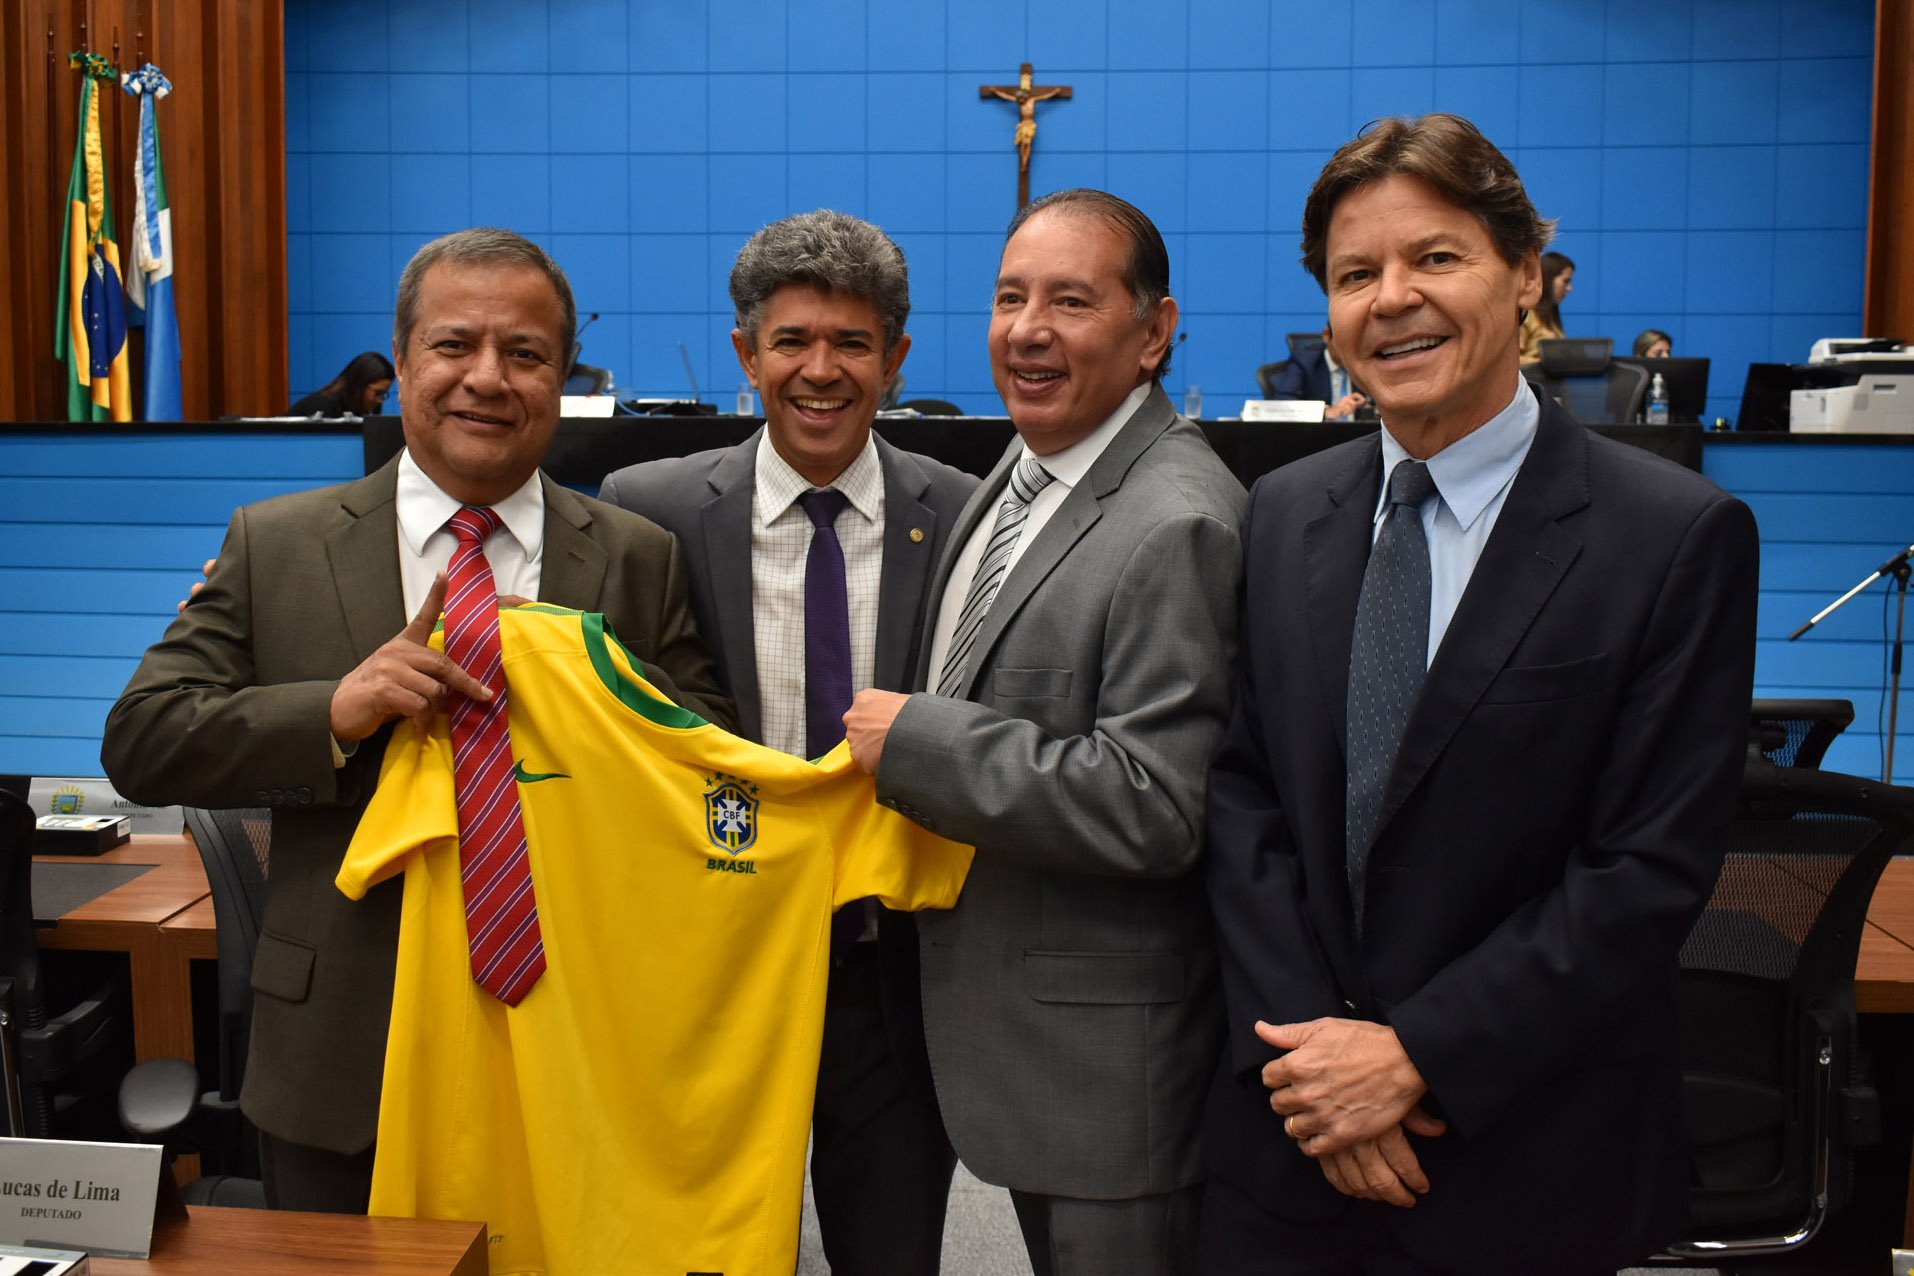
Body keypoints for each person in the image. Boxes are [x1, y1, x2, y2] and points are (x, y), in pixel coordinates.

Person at [1199, 113, 1759, 1274]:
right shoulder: (1283, 511)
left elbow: (1645, 867)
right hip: (1291, 1144)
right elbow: (1245, 797)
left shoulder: (1672, 535)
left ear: (1527, 278)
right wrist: (1314, 1065)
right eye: (1356, 274)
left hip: (1525, 1154)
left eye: (1437, 257)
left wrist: (1415, 1057)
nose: (1392, 298)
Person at [101, 227, 734, 1214]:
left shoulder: (634, 555)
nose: (487, 377)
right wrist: (335, 710)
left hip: (578, 1046)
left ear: (562, 376)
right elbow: (143, 738)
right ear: (399, 363)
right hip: (343, 1059)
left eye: (524, 353)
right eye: (453, 344)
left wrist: (588, 678)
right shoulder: (278, 544)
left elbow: (711, 763)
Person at [844, 189, 1245, 1275]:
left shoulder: (1177, 518)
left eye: (1071, 301)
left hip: (1110, 1079)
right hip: (1017, 1039)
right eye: (1009, 297)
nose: (1027, 329)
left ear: (1155, 332)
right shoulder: (1022, 477)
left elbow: (1157, 805)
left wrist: (918, 745)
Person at [597, 210, 976, 1276]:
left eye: (852, 342)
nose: (820, 370)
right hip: (710, 968)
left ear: (896, 358)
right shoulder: (649, 511)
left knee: (888, 1253)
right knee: (697, 1252)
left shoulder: (963, 516)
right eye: (792, 340)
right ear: (745, 353)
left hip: (889, 972)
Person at [1270, 323, 1367, 420]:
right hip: (1320, 428)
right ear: (1326, 335)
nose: (1350, 350)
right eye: (1345, 342)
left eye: (1356, 343)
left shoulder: (1365, 363)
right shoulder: (1305, 361)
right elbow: (1285, 402)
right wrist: (1327, 412)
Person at [289, 350, 394, 417]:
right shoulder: (323, 408)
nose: (380, 400)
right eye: (378, 393)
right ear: (358, 386)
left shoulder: (351, 410)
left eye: (383, 394)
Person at [1515, 249, 1573, 365]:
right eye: (1565, 281)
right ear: (1548, 279)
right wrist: (1545, 364)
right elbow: (1511, 358)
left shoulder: (1551, 319)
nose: (1569, 288)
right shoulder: (1526, 316)